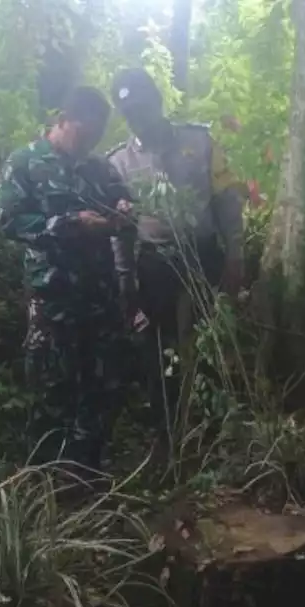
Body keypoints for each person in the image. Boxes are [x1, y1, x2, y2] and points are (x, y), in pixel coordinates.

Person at [0, 86, 139, 473]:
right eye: (83, 132)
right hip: (53, 299)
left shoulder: (99, 168)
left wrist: (124, 210)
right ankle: (48, 481)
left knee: (102, 388)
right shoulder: (24, 163)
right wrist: (68, 224)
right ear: (62, 120)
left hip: (101, 298)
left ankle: (90, 473)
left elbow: (124, 203)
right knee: (51, 391)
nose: (88, 142)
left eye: (95, 136)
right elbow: (10, 221)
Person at [107, 68, 246, 439]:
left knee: (209, 342)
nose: (138, 117)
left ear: (157, 102)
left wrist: (236, 255)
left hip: (202, 255)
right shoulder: (118, 163)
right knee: (158, 351)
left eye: (143, 107)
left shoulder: (199, 142)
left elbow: (228, 202)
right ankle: (168, 433)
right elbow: (119, 230)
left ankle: (215, 429)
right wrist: (126, 279)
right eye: (129, 113)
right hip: (154, 265)